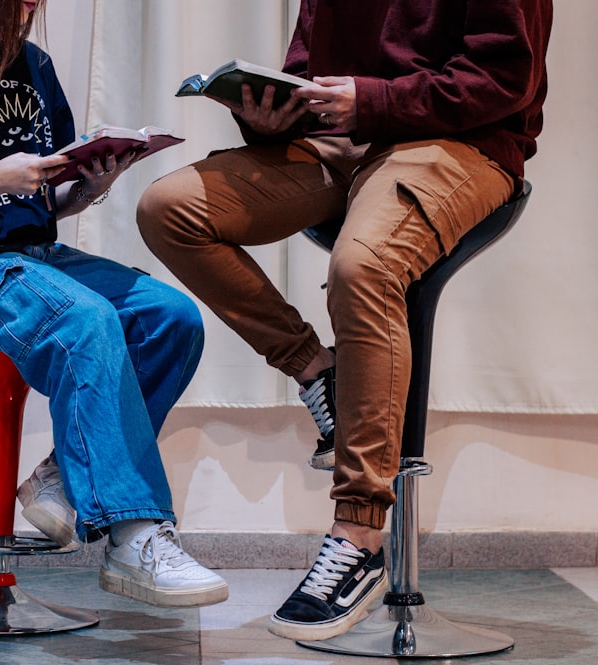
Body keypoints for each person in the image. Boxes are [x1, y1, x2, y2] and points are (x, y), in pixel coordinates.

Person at [137, 0, 551, 638]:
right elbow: (310, 77)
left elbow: (503, 78)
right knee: (169, 207)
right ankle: (317, 372)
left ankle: (359, 536)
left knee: (363, 267)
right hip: (338, 145)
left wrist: (374, 102)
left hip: (459, 144)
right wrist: (270, 120)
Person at [0, 0, 227, 608]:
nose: (32, 4)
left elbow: (43, 199)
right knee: (85, 321)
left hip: (33, 256)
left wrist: (90, 185)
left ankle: (62, 471)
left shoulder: (33, 65)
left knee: (172, 318)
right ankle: (133, 536)